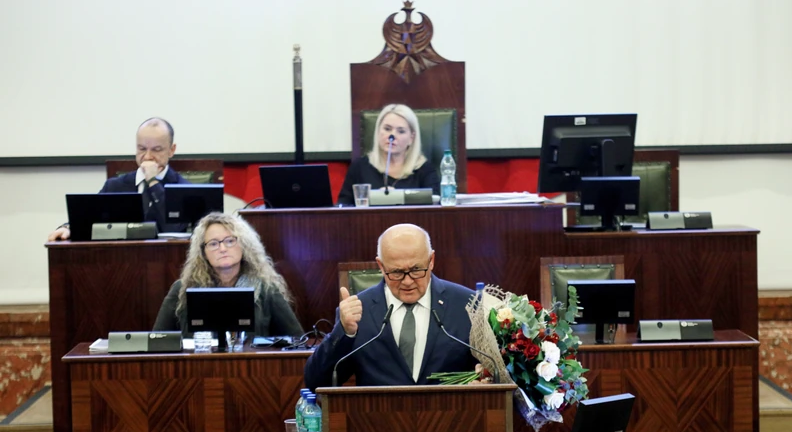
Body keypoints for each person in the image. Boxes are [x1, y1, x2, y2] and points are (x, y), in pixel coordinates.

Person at [304, 223, 476, 391]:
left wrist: (484, 380)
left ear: (431, 261)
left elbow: (488, 372)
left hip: (449, 409)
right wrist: (344, 333)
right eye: (397, 272)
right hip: (379, 410)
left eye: (416, 269)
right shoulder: (359, 311)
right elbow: (316, 382)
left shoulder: (467, 305)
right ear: (381, 266)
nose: (407, 281)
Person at [153, 212, 304, 338]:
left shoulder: (266, 288)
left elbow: (296, 339)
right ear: (203, 252)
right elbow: (158, 340)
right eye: (213, 243)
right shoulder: (182, 289)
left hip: (252, 364)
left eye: (230, 241)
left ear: (244, 245)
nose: (223, 248)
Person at [47, 117, 190, 241]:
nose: (147, 156)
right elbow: (89, 220)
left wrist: (153, 182)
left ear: (171, 150)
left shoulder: (182, 188)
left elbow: (175, 228)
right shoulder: (115, 186)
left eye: (156, 150)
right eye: (141, 149)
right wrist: (68, 228)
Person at [337, 104, 440, 205]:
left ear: (411, 138)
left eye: (401, 131)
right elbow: (343, 206)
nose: (392, 135)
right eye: (387, 129)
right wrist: (374, 200)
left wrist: (396, 198)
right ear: (378, 132)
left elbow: (435, 206)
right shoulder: (359, 168)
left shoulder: (425, 170)